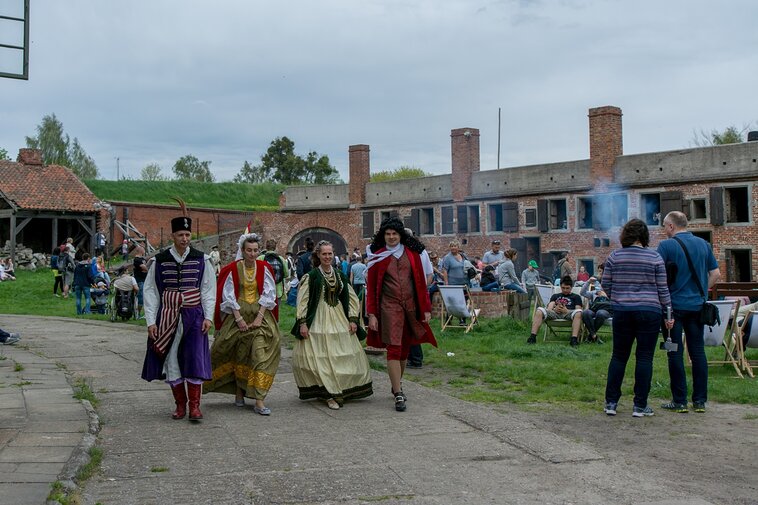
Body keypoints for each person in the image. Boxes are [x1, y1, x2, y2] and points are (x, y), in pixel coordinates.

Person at [141, 202, 216, 422]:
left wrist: (209, 317)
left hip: (194, 316)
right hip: (167, 316)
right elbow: (151, 292)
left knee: (194, 358)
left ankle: (195, 407)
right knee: (172, 359)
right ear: (173, 236)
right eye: (180, 234)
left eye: (187, 234)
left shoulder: (202, 259)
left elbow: (208, 289)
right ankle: (180, 405)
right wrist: (150, 321)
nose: (185, 238)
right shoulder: (160, 260)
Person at [603, 218, 673, 417]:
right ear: (644, 236)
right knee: (644, 357)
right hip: (650, 311)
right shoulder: (655, 258)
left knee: (618, 356)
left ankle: (611, 403)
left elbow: (605, 284)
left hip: (623, 311)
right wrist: (669, 313)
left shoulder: (614, 257)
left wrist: (618, 298)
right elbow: (663, 290)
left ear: (625, 235)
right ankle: (640, 405)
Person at [366, 217, 437, 412]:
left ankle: (396, 384)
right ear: (383, 236)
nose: (391, 237)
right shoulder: (377, 256)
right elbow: (371, 288)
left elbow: (421, 284)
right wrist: (371, 314)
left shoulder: (413, 254)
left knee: (405, 351)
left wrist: (426, 309)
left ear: (400, 235)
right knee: (394, 349)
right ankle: (398, 393)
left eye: (394, 234)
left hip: (411, 308)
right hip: (389, 309)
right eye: (388, 234)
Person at [291, 240, 373, 410]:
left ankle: (340, 388)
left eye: (330, 254)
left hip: (338, 317)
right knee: (321, 356)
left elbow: (351, 297)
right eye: (324, 254)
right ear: (318, 256)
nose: (327, 257)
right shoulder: (311, 277)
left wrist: (352, 319)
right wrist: (303, 323)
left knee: (339, 353)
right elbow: (303, 301)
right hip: (318, 319)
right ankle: (328, 392)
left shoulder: (339, 275)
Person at [205, 233, 281, 415]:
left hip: (259, 317)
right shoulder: (232, 269)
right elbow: (228, 296)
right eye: (249, 250)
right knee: (238, 353)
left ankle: (259, 400)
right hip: (237, 315)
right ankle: (239, 391)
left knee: (259, 355)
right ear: (242, 250)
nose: (253, 254)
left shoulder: (264, 267)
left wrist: (259, 318)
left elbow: (269, 294)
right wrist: (238, 319)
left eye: (255, 250)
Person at [657, 210, 720, 413]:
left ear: (671, 226)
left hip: (672, 309)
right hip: (697, 307)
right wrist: (702, 292)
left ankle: (680, 400)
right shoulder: (704, 244)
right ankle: (700, 401)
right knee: (698, 352)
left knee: (674, 352)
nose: (664, 229)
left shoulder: (666, 246)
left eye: (665, 225)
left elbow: (657, 274)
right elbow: (715, 273)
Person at [527, 276, 583, 346]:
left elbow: (579, 309)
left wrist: (567, 311)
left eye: (567, 288)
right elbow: (549, 308)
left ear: (571, 287)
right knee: (539, 310)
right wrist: (554, 309)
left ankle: (574, 339)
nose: (565, 290)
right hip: (555, 313)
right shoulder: (555, 296)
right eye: (563, 288)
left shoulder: (576, 297)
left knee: (579, 313)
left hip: (568, 313)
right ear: (560, 286)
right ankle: (532, 337)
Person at [580, 278, 611, 344]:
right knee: (586, 312)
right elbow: (582, 293)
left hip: (606, 310)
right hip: (594, 309)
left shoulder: (610, 292)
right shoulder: (594, 293)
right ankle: (594, 336)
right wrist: (588, 282)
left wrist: (606, 296)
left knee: (600, 313)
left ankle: (590, 337)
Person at [258, 239, 289, 303]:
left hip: (264, 289)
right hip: (277, 291)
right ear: (275, 247)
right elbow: (286, 274)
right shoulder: (281, 259)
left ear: (266, 247)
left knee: (264, 311)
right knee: (276, 312)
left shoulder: (260, 258)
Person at [133, 246, 148, 319]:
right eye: (143, 249)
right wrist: (147, 268)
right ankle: (138, 313)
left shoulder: (143, 259)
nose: (144, 250)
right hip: (140, 280)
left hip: (146, 280)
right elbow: (144, 267)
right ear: (140, 250)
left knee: (147, 297)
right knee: (141, 297)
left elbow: (146, 266)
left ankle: (146, 313)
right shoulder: (137, 260)